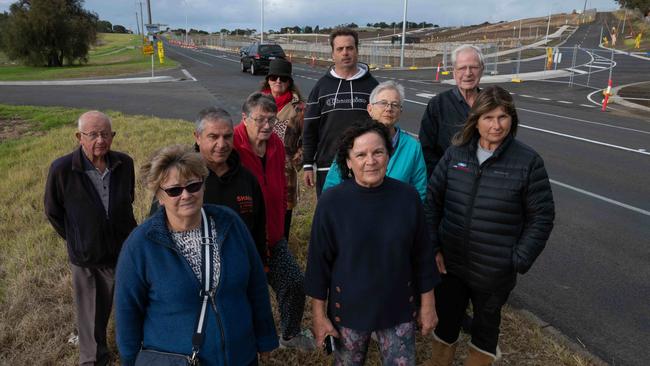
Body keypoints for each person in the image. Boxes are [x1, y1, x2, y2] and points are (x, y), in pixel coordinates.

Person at [423, 86, 555, 366]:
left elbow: (541, 218)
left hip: (494, 272)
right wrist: (434, 246)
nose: (496, 125)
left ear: (512, 119)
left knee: (485, 331)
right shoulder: (455, 154)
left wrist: (517, 259)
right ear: (476, 119)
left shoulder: (528, 162)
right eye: (488, 117)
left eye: (503, 117)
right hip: (452, 265)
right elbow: (433, 202)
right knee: (446, 325)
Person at [115, 145, 278, 366]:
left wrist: (265, 339)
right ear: (159, 196)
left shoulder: (230, 223)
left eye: (193, 186)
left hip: (241, 356)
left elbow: (256, 286)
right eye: (174, 190)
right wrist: (130, 361)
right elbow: (127, 316)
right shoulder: (140, 245)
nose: (186, 195)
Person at [305, 118, 440, 365]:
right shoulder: (332, 202)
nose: (371, 161)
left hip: (398, 306)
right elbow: (318, 263)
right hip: (349, 309)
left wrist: (428, 304)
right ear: (348, 161)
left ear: (388, 155)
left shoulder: (407, 197)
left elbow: (422, 254)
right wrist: (318, 315)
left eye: (378, 152)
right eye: (361, 154)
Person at [44, 110, 137, 366]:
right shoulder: (62, 169)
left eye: (106, 134)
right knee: (91, 315)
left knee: (131, 304)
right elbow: (53, 212)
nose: (100, 140)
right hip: (87, 257)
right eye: (93, 134)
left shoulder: (124, 163)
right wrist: (78, 238)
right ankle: (94, 359)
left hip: (123, 250)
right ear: (78, 137)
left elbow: (128, 198)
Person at [234, 92, 314, 350]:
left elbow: (279, 184)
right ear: (244, 118)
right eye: (260, 120)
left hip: (274, 235)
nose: (267, 126)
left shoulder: (276, 144)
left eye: (271, 120)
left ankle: (290, 335)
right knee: (242, 295)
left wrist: (279, 221)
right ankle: (244, 340)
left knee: (294, 282)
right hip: (242, 240)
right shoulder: (232, 143)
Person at [149, 107, 267, 267]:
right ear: (197, 137)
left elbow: (258, 231)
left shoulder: (247, 179)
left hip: (238, 270)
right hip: (190, 272)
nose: (222, 144)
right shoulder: (179, 179)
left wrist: (260, 267)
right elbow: (156, 229)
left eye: (227, 137)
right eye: (213, 137)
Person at [302, 27, 379, 196]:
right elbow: (310, 127)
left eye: (350, 48)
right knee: (331, 218)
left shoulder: (373, 87)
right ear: (333, 53)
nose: (345, 53)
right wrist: (308, 163)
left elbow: (382, 127)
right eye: (340, 49)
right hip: (328, 167)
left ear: (357, 51)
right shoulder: (321, 87)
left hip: (365, 166)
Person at [322, 81, 427, 201]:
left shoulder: (412, 147)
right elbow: (332, 187)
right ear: (370, 109)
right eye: (383, 103)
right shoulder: (353, 141)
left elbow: (420, 192)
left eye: (395, 104)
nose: (389, 109)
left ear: (400, 112)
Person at [419, 44, 485, 178]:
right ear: (454, 72)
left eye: (473, 67)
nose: (468, 73)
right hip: (449, 183)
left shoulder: (491, 104)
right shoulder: (438, 104)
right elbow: (426, 150)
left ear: (482, 70)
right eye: (462, 68)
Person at [260, 58, 304, 238]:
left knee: (283, 217)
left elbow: (308, 140)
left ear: (289, 82)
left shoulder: (299, 108)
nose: (278, 81)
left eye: (283, 78)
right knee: (260, 213)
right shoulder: (256, 103)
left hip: (284, 173)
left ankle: (281, 250)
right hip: (259, 167)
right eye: (274, 77)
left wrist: (295, 161)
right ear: (268, 79)